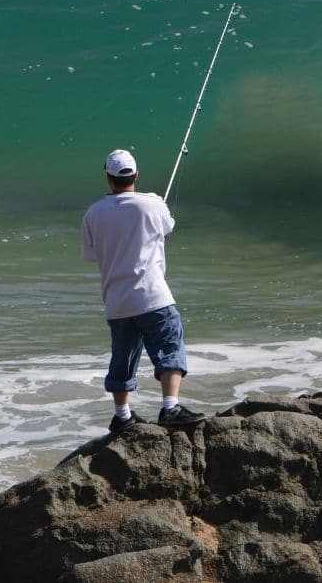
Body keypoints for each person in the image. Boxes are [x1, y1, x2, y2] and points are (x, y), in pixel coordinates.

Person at [82, 149, 205, 433]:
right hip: (152, 296)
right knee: (169, 346)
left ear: (108, 178)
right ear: (136, 175)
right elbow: (168, 227)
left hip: (116, 300)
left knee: (123, 356)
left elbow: (90, 255)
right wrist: (155, 204)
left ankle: (122, 415)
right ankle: (170, 407)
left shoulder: (92, 213)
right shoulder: (152, 204)